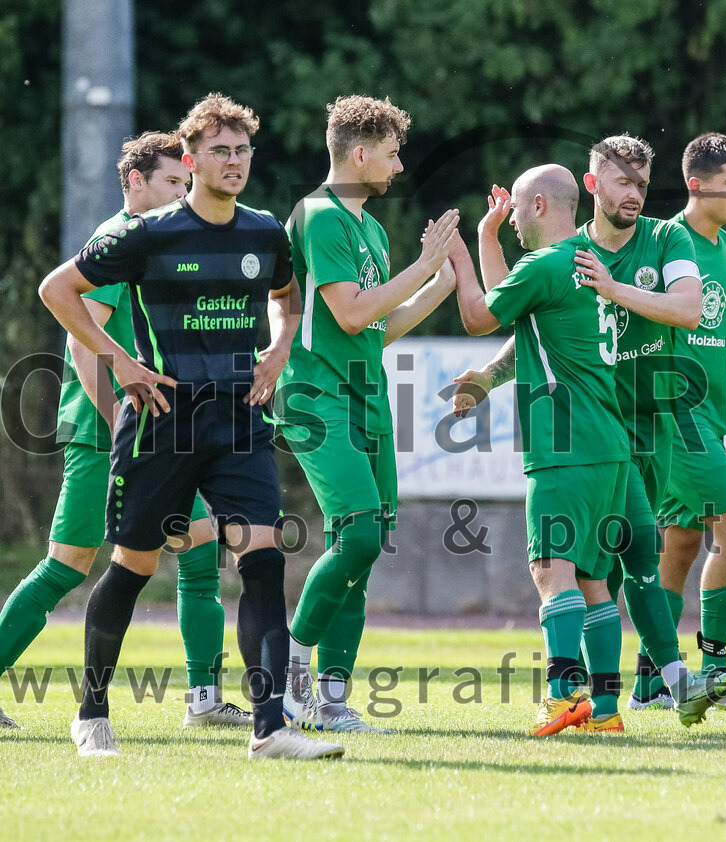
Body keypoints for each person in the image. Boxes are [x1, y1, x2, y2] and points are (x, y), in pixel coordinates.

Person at [38, 93, 343, 760]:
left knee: (263, 561)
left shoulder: (265, 231)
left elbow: (287, 298)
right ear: (190, 158)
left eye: (241, 152)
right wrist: (122, 363)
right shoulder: (146, 234)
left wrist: (279, 349)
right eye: (219, 152)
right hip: (161, 424)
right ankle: (91, 712)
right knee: (131, 567)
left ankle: (270, 727)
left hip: (239, 420)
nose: (233, 162)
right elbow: (57, 289)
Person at [456, 137, 726, 730]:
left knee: (588, 567)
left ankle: (585, 694)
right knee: (605, 574)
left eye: (642, 183)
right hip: (611, 425)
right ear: (592, 186)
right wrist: (489, 376)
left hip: (632, 425)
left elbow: (688, 309)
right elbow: (530, 324)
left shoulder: (664, 238)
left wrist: (610, 287)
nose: (635, 193)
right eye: (623, 182)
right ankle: (629, 697)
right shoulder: (572, 254)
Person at [0, 132, 248, 732]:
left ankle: (205, 700)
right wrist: (122, 433)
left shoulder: (163, 240)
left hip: (167, 431)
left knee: (197, 555)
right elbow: (91, 355)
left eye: (182, 182)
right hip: (106, 435)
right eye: (169, 182)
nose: (180, 192)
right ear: (134, 182)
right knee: (67, 564)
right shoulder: (117, 243)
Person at [276, 95, 459, 734]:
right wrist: (424, 265)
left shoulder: (372, 229)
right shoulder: (320, 216)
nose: (399, 166)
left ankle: (329, 698)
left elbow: (375, 328)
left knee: (365, 542)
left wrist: (437, 283)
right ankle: (288, 671)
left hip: (365, 395)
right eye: (391, 152)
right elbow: (350, 313)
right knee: (355, 533)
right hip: (316, 398)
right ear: (360, 154)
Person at [632, 132, 726, 711]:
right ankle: (713, 666)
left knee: (681, 545)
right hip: (672, 414)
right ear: (696, 184)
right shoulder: (664, 240)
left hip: (709, 420)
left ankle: (649, 683)